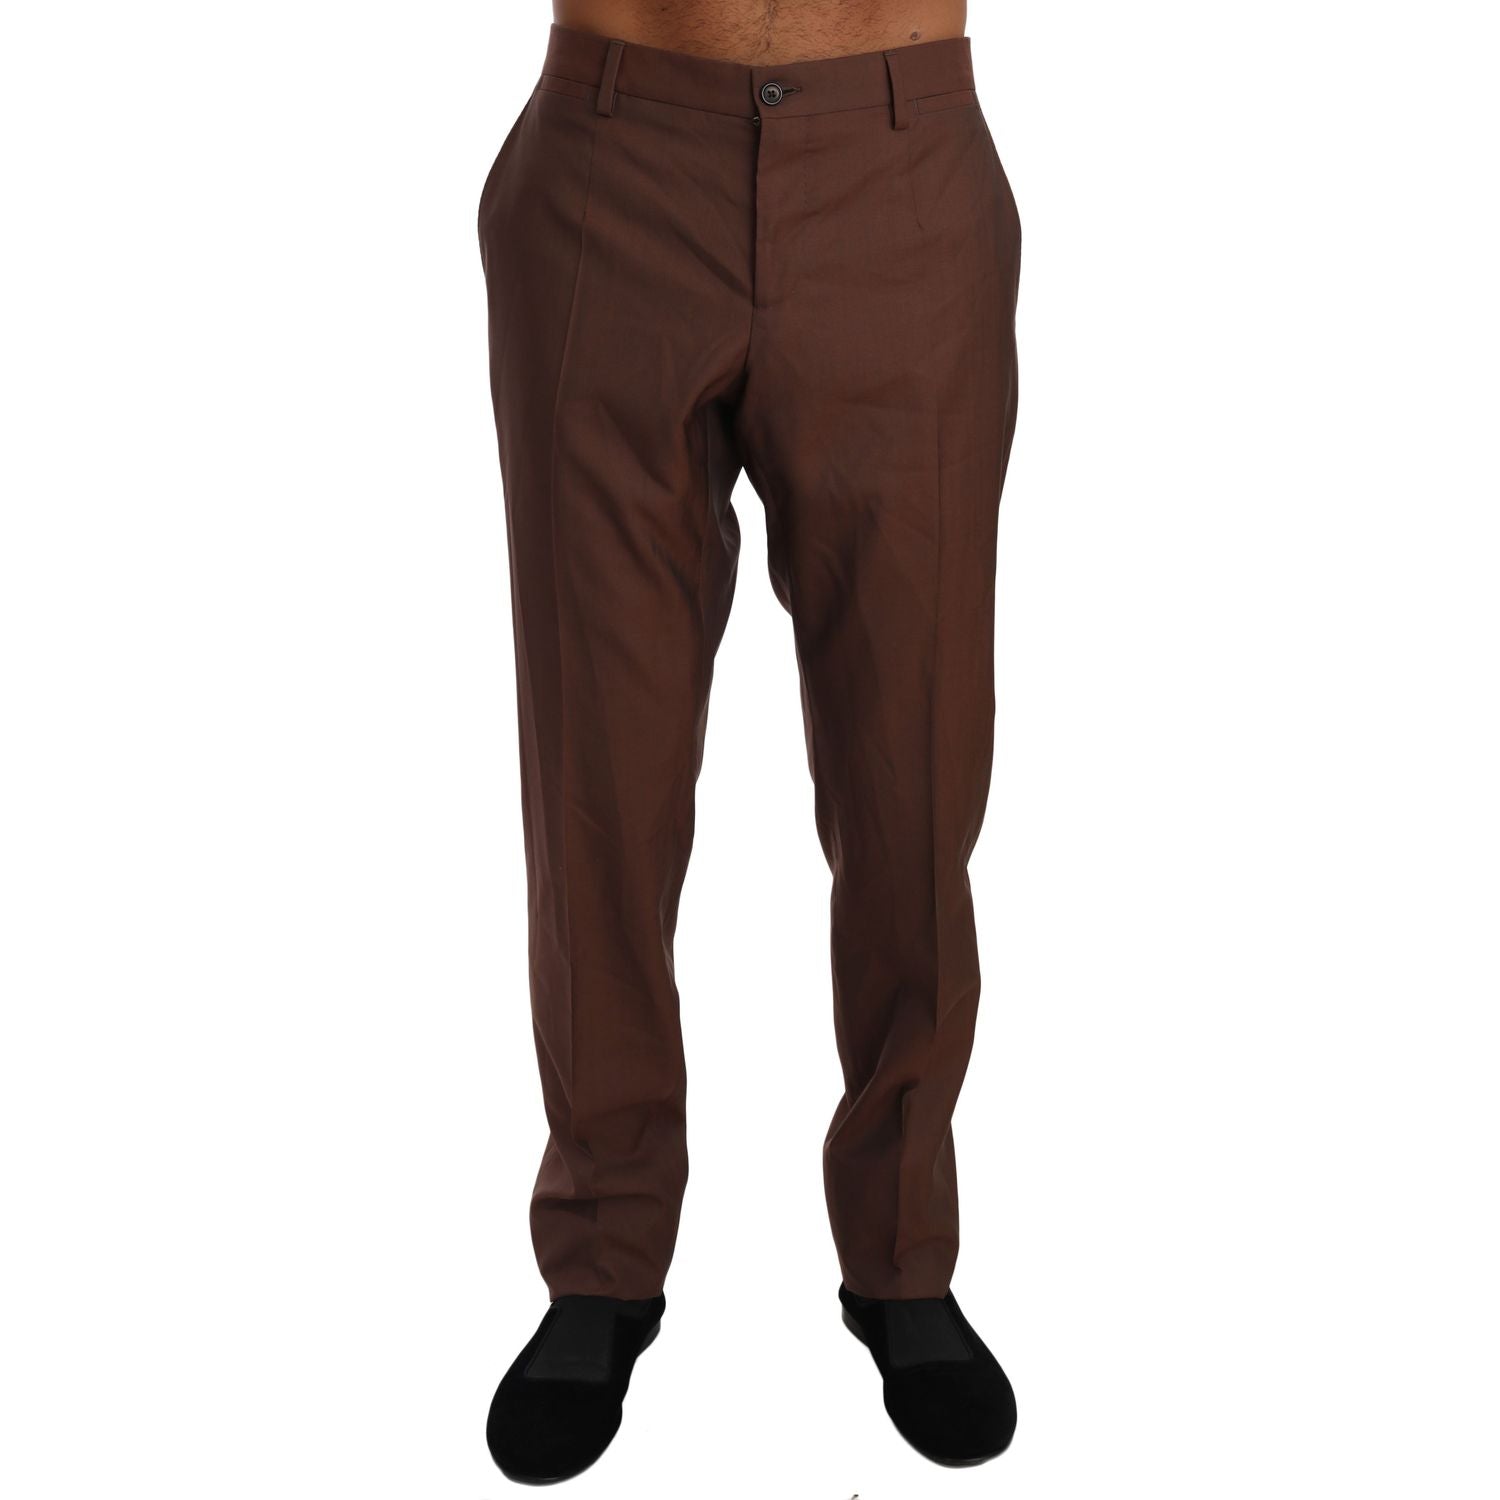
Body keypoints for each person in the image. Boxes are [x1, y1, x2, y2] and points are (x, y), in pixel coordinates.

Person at [476, 0, 1021, 1480]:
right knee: (597, 764)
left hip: (896, 158)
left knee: (915, 761)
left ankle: (903, 1251)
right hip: (613, 163)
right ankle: (603, 1255)